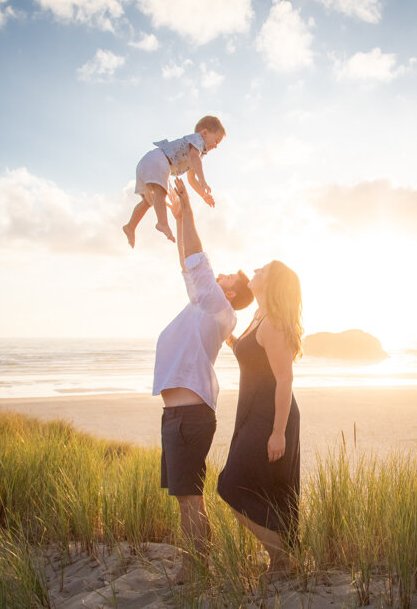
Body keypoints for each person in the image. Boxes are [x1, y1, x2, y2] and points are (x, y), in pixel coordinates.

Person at [152, 178, 253, 582]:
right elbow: (187, 264)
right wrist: (179, 222)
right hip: (180, 417)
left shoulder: (219, 308)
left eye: (227, 277)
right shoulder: (207, 303)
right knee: (186, 501)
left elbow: (196, 260)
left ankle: (195, 568)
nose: (222, 275)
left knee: (191, 501)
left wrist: (189, 213)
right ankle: (195, 564)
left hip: (187, 417)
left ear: (230, 293)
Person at [216, 259, 303, 579]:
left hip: (271, 416)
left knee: (231, 484)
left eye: (262, 270)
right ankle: (280, 557)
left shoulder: (275, 323)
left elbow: (284, 380)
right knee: (259, 486)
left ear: (272, 283)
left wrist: (278, 432)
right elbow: (252, 356)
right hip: (253, 411)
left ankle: (281, 559)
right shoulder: (258, 316)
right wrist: (229, 338)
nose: (254, 271)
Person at [122, 115, 224, 247]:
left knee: (148, 201)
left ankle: (130, 226)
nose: (216, 146)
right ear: (204, 133)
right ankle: (162, 223)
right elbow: (195, 158)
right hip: (158, 160)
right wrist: (203, 180)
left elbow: (191, 180)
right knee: (161, 191)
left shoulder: (196, 154)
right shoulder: (197, 141)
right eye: (216, 141)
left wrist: (204, 195)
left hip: (147, 162)